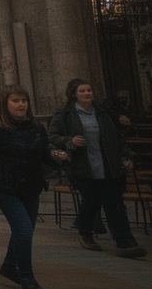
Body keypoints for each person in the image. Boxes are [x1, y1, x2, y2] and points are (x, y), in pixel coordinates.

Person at [48, 78, 146, 258]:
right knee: (91, 202)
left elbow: (116, 139)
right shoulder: (65, 114)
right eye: (82, 91)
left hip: (107, 165)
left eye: (89, 90)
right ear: (74, 95)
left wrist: (126, 156)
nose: (87, 93)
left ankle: (125, 243)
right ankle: (85, 232)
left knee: (114, 204)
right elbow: (52, 136)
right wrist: (69, 141)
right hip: (82, 166)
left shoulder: (103, 113)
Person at [0, 85, 56, 289]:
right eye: (15, 100)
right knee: (23, 230)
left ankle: (10, 266)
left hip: (31, 186)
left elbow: (45, 153)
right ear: (4, 104)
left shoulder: (35, 127)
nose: (21, 104)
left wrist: (61, 156)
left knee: (26, 229)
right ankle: (27, 277)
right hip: (6, 187)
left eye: (24, 100)